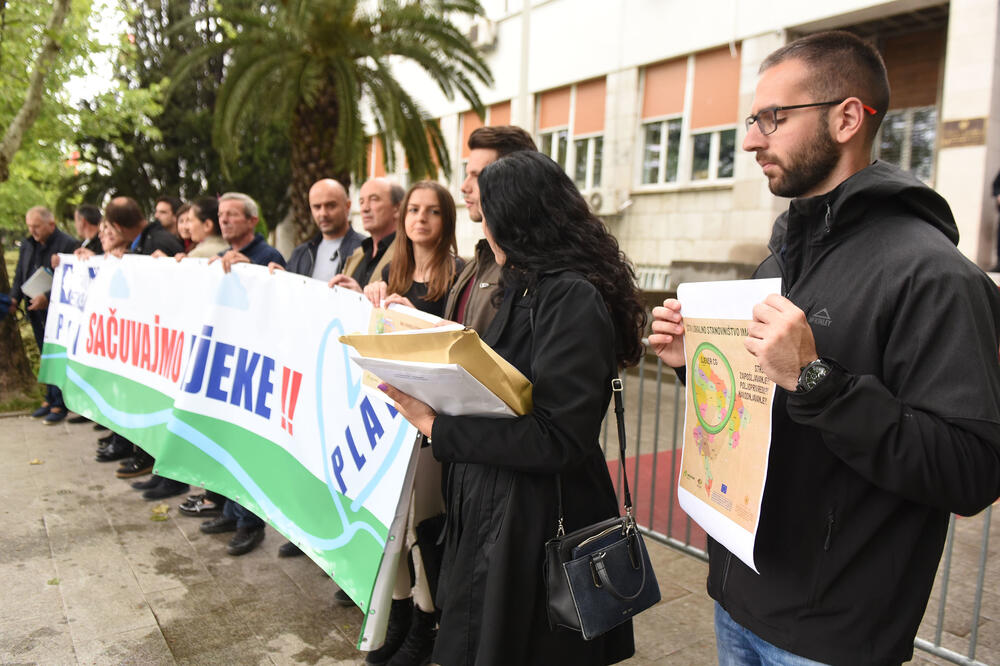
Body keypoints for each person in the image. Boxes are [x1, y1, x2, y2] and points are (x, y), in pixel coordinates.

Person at [650, 31, 1000, 666]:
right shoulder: (778, 258)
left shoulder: (935, 276)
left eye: (772, 119)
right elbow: (764, 409)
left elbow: (971, 470)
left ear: (846, 118)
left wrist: (815, 379)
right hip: (739, 597)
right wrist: (694, 367)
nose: (752, 140)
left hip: (834, 634)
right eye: (752, 121)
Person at [381, 151, 644, 665]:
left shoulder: (569, 296)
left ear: (518, 220)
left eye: (487, 214)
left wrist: (438, 426)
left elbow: (559, 437)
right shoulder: (528, 285)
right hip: (500, 510)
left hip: (536, 522)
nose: (482, 226)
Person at [359, 181, 464, 666]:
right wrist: (366, 294)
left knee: (423, 525)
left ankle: (426, 620)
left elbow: (454, 340)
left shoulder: (460, 275)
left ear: (447, 220)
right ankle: (399, 614)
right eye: (414, 210)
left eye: (433, 212)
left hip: (429, 419)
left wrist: (412, 313)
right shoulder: (389, 267)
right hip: (388, 413)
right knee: (389, 527)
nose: (420, 219)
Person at [200, 192, 286, 556]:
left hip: (255, 365)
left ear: (253, 220)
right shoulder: (220, 258)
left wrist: (248, 268)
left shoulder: (268, 257)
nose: (225, 220)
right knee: (225, 441)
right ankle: (230, 510)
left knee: (247, 447)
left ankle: (250, 523)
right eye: (221, 215)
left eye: (233, 215)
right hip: (226, 358)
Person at [443, 125, 537, 331]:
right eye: (467, 173)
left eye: (477, 176)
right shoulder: (479, 260)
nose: (464, 186)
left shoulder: (534, 268)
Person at [8, 206, 80, 424]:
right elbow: (21, 272)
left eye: (37, 226)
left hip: (57, 312)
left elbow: (73, 279)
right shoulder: (27, 244)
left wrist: (47, 297)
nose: (33, 231)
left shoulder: (68, 244)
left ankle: (60, 403)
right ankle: (49, 397)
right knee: (45, 355)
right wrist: (14, 298)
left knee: (58, 356)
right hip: (34, 311)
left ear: (51, 224)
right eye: (30, 226)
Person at [276, 179, 366, 280]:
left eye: (331, 206)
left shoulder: (366, 249)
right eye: (317, 207)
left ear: (347, 206)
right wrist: (280, 276)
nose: (323, 213)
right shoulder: (301, 253)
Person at [330, 178, 404, 290]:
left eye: (374, 199)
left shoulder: (409, 254)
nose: (365, 208)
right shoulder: (358, 253)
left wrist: (361, 297)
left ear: (397, 209)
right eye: (361, 202)